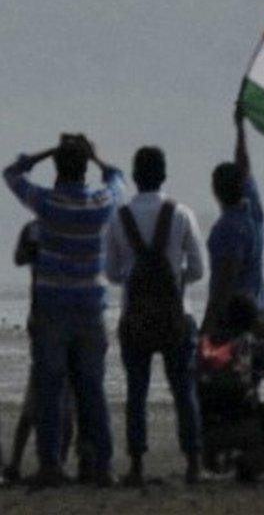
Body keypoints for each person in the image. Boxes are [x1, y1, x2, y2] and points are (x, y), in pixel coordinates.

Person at [3, 134, 124, 488]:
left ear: (58, 168)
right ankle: (100, 464)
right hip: (89, 308)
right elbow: (119, 179)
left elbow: (11, 174)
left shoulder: (47, 203)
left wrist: (43, 153)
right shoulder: (101, 203)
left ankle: (51, 464)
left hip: (52, 308)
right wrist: (96, 156)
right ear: (84, 168)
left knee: (50, 390)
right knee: (92, 390)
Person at [105, 145, 206, 486]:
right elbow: (198, 269)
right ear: (164, 175)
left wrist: (137, 277)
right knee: (183, 391)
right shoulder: (181, 214)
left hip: (134, 318)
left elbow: (113, 273)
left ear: (134, 178)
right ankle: (193, 462)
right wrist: (174, 281)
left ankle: (136, 465)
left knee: (136, 392)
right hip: (178, 315)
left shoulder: (120, 218)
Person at [2, 222, 75, 484]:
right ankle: (25, 461)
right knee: (52, 393)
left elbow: (21, 258)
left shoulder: (38, 229)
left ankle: (39, 461)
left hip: (51, 317)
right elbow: (19, 258)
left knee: (51, 394)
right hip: (50, 318)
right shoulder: (48, 229)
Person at [198, 292, 264, 481]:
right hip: (243, 424)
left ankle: (211, 458)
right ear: (253, 320)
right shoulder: (259, 347)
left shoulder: (205, 346)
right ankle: (245, 467)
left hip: (204, 428)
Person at [204, 106, 264, 333]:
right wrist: (240, 128)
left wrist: (208, 325)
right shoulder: (253, 214)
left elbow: (224, 282)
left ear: (216, 191)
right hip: (255, 312)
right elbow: (244, 167)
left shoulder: (228, 228)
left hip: (232, 320)